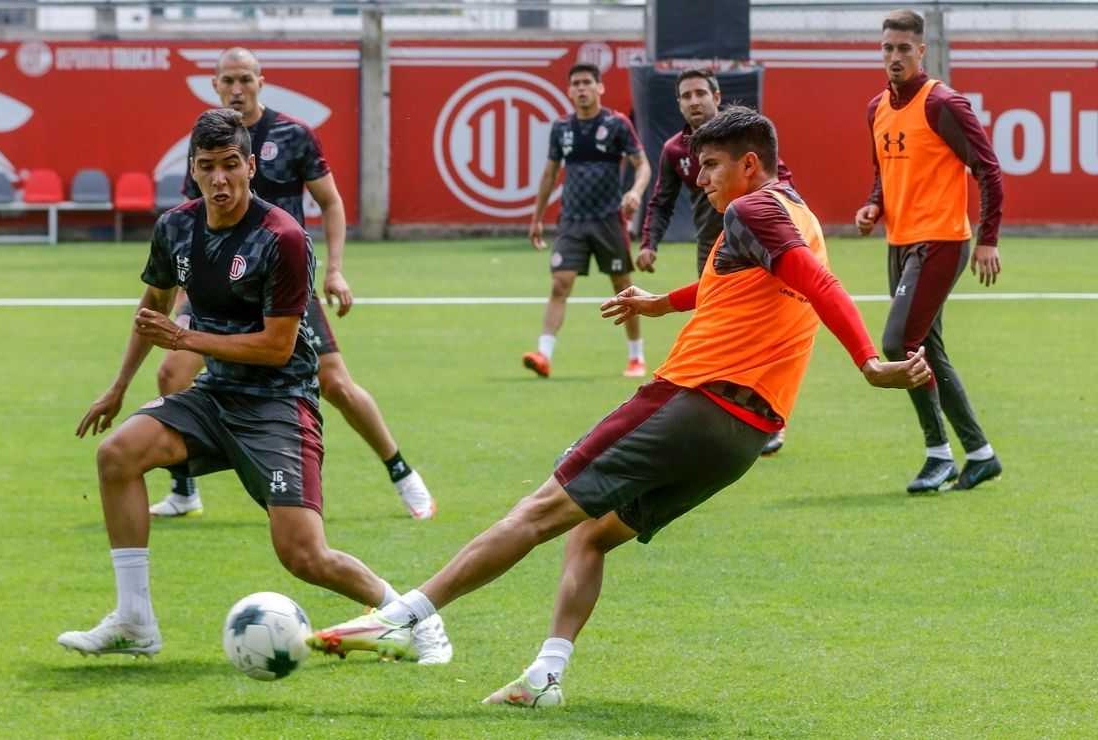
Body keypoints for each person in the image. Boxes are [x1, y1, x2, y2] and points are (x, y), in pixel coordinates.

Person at [303, 108, 931, 705]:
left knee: (538, 511)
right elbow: (738, 283)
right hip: (743, 438)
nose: (700, 177)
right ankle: (547, 674)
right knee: (591, 534)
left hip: (692, 400)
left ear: (749, 164)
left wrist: (869, 363)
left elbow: (819, 284)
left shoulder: (750, 207)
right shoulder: (797, 213)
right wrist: (662, 305)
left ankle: (405, 617)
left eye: (710, 165)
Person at [57, 108, 451, 665]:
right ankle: (134, 620)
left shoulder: (282, 238)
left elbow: (277, 347)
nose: (220, 180)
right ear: (192, 171)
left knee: (303, 555)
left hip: (279, 405)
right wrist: (118, 387)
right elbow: (152, 308)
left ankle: (414, 618)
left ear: (250, 166)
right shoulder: (176, 227)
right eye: (207, 167)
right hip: (216, 398)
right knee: (117, 454)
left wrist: (186, 341)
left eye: (230, 165)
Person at [150, 47, 435, 520]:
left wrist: (337, 269)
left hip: (281, 288)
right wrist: (185, 295)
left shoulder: (293, 135)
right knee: (171, 373)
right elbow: (192, 227)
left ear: (262, 81)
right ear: (215, 86)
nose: (236, 88)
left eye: (245, 79)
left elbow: (332, 203)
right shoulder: (205, 144)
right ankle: (184, 492)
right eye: (227, 81)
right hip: (219, 287)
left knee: (336, 383)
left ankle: (402, 472)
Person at [855, 10, 1004, 494]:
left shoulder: (943, 103)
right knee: (927, 350)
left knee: (899, 345)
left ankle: (938, 453)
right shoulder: (876, 107)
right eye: (887, 48)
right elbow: (884, 172)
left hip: (941, 240)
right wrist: (874, 205)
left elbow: (988, 169)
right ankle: (979, 454)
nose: (894, 56)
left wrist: (987, 239)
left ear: (922, 51)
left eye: (904, 48)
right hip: (899, 243)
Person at [637, 69, 788, 457]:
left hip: (759, 253)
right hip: (713, 257)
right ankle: (719, 416)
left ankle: (770, 418)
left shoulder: (741, 142)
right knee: (717, 338)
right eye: (685, 95)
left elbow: (781, 181)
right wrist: (649, 242)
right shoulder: (674, 150)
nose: (694, 101)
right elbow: (662, 199)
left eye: (701, 92)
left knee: (762, 336)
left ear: (717, 95)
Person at [523, 62, 652, 379]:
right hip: (572, 221)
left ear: (599, 88)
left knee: (622, 286)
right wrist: (537, 218)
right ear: (568, 91)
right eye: (575, 84)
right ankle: (544, 354)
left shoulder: (617, 124)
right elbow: (550, 173)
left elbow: (643, 165)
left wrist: (635, 192)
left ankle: (636, 356)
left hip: (609, 219)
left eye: (587, 83)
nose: (581, 89)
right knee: (559, 284)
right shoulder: (561, 129)